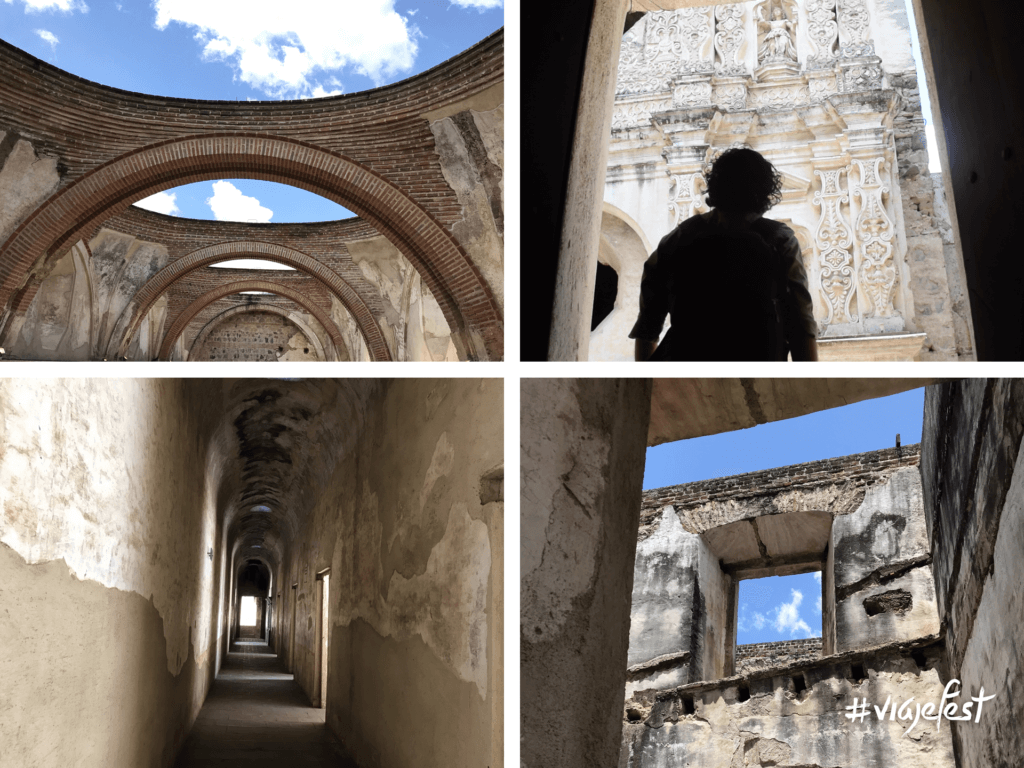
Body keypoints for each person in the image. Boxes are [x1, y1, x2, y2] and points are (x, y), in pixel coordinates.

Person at [630, 147, 819, 361]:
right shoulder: (779, 240)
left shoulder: (679, 239)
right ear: (763, 192)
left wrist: (645, 388)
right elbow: (801, 327)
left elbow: (647, 328)